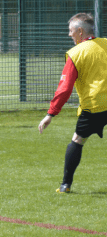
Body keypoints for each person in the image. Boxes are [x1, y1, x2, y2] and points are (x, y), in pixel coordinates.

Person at [38, 13, 107, 194]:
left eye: (70, 31)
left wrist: (50, 114)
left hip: (94, 106)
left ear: (80, 31)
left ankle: (65, 185)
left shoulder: (76, 53)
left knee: (77, 141)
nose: (69, 35)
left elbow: (64, 88)